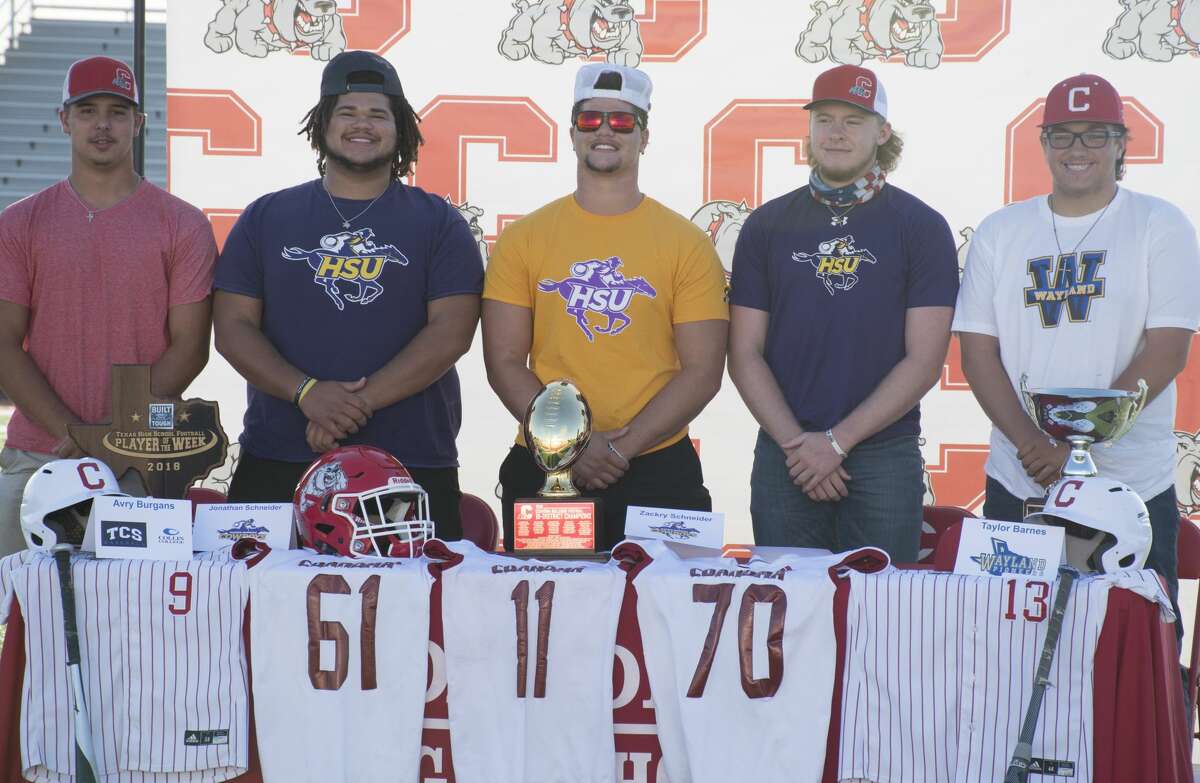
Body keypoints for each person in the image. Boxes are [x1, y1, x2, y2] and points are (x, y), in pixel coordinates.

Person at [955, 73, 1200, 632]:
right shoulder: (1000, 230)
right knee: (1010, 643)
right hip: (1022, 478)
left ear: (1121, 144)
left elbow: (1167, 350)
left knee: (1139, 643)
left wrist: (1077, 444)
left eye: (1094, 134)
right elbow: (977, 354)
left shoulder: (1159, 223)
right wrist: (1033, 445)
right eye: (1062, 135)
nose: (1077, 149)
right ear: (1044, 144)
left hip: (1131, 483)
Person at [213, 51, 482, 540]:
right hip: (278, 454)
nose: (363, 125)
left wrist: (348, 407)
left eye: (378, 114)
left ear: (400, 128)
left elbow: (452, 333)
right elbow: (233, 327)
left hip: (410, 461)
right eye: (347, 112)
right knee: (257, 589)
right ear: (322, 124)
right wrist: (306, 393)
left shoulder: (440, 222)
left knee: (420, 591)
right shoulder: (266, 216)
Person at [482, 63, 728, 551]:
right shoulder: (523, 238)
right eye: (591, 119)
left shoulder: (687, 243)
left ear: (644, 136)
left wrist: (618, 448)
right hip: (548, 465)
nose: (605, 131)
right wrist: (571, 446)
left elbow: (703, 371)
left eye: (622, 121)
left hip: (659, 465)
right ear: (572, 132)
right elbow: (504, 361)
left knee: (666, 600)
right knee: (551, 599)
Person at [727, 64, 958, 562]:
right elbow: (744, 352)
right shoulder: (766, 225)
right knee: (786, 607)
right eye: (824, 119)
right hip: (786, 455)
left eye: (853, 121)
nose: (835, 133)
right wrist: (799, 445)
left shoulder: (921, 226)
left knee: (881, 606)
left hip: (883, 454)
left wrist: (835, 444)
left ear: (882, 132)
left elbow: (925, 359)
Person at [0, 56, 216, 557]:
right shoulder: (20, 222)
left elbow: (190, 347)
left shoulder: (182, 224)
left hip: (138, 457)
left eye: (117, 112)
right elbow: (5, 343)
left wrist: (113, 436)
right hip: (38, 452)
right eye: (87, 110)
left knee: (133, 602)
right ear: (64, 120)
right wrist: (74, 433)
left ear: (138, 123)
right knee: (19, 599)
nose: (102, 124)